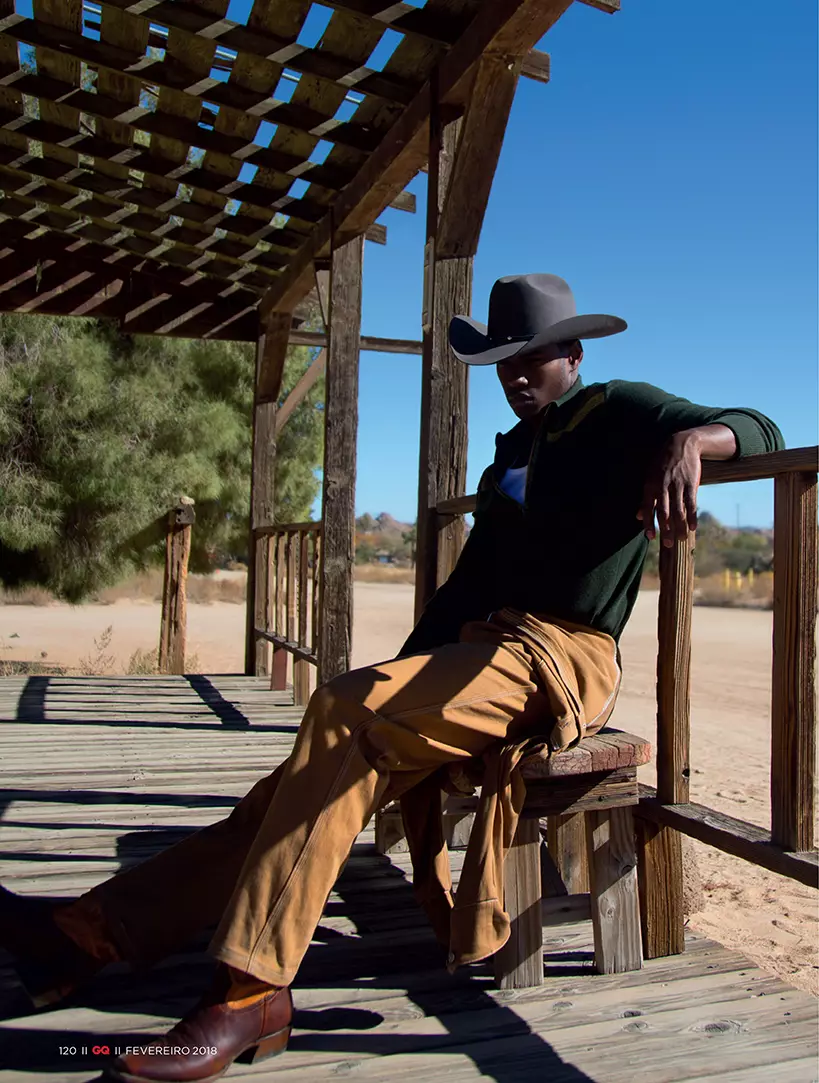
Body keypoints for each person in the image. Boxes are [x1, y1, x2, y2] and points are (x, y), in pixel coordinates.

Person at [0, 274, 783, 1082]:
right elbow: (470, 585)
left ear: (571, 355)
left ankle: (249, 991)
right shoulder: (511, 453)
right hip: (482, 645)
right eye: (504, 360)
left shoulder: (616, 409)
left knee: (345, 717)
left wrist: (692, 442)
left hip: (563, 656)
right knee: (302, 776)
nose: (517, 373)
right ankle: (88, 934)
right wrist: (403, 666)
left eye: (534, 357)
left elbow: (760, 426)